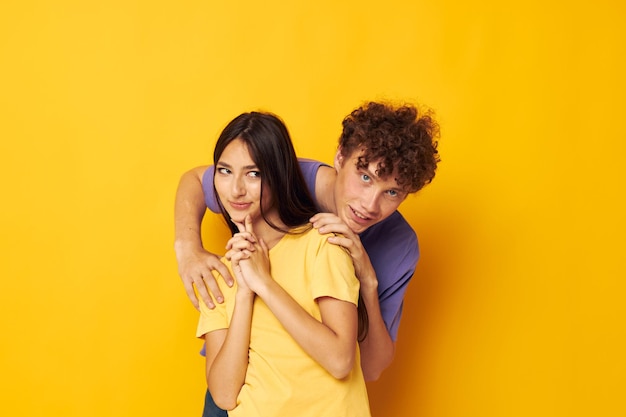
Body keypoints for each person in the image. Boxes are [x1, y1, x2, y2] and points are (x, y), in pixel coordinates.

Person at [174, 101, 440, 416]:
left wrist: (367, 281)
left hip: (317, 394)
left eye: (393, 192)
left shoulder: (396, 246)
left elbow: (365, 367)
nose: (370, 204)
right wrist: (188, 250)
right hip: (247, 377)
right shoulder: (281, 176)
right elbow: (199, 180)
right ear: (340, 157)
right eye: (365, 177)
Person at [197, 111, 371, 417]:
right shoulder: (221, 273)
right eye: (224, 171)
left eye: (253, 174)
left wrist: (264, 283)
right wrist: (244, 293)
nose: (235, 189)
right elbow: (224, 395)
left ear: (278, 175)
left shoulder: (322, 244)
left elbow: (340, 361)